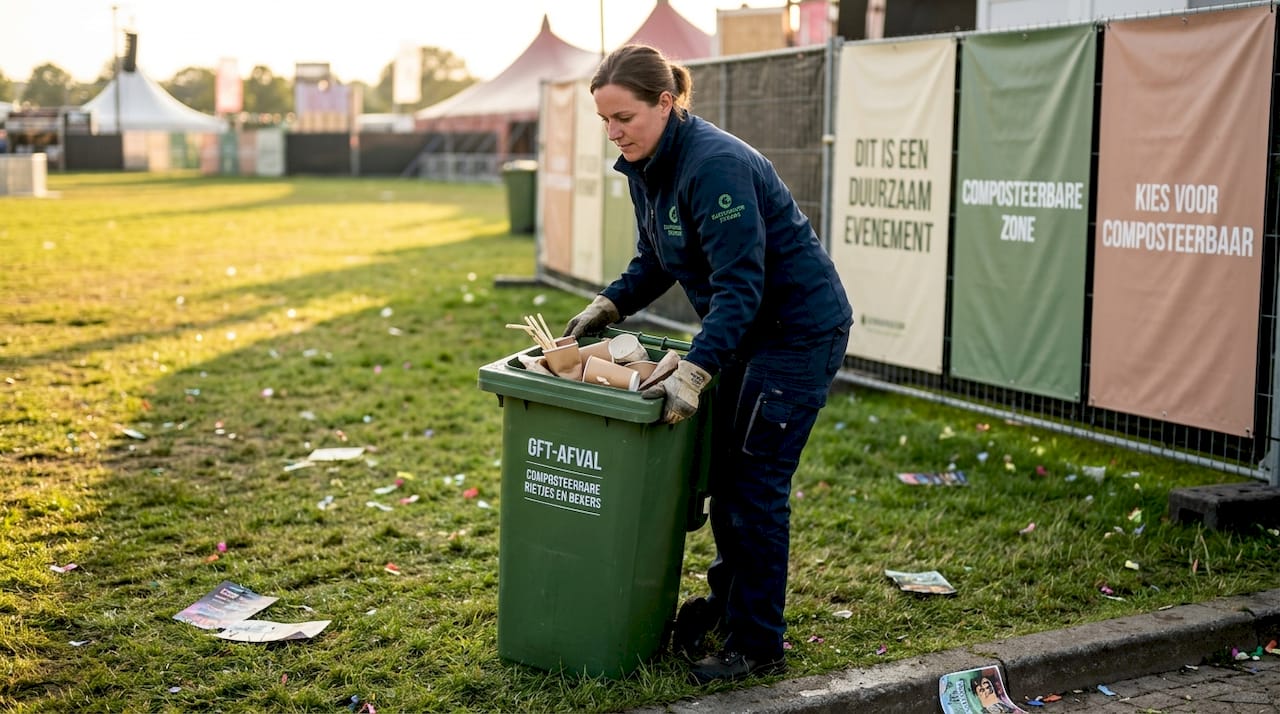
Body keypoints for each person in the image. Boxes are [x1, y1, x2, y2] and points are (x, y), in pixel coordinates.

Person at [563, 44, 853, 684]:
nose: (614, 132)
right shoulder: (649, 165)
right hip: (750, 331)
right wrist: (607, 307)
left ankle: (758, 646)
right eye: (604, 120)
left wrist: (695, 371)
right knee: (726, 479)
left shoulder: (714, 164)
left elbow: (741, 287)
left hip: (798, 332)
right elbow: (655, 259)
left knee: (755, 489)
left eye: (625, 117)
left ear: (666, 102)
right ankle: (729, 607)